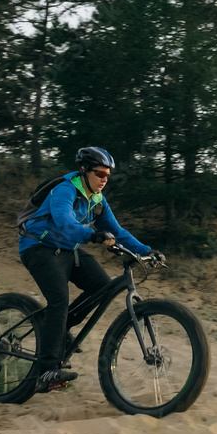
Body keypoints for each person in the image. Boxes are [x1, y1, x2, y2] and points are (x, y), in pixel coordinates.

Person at [19, 146, 160, 392]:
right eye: (100, 174)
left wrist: (147, 250)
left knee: (102, 287)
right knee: (59, 300)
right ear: (84, 170)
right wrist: (91, 234)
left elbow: (118, 231)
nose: (104, 179)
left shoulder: (98, 201)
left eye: (108, 175)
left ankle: (59, 331)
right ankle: (46, 371)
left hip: (66, 249)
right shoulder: (64, 190)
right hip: (38, 246)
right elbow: (64, 221)